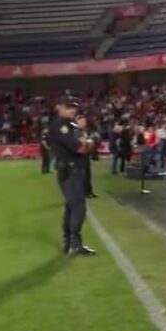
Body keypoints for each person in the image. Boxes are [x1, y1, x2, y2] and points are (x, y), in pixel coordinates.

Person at [48, 98, 95, 256]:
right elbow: (80, 148)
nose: (72, 110)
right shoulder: (61, 126)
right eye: (68, 107)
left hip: (68, 169)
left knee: (71, 206)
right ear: (59, 107)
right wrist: (90, 142)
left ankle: (69, 243)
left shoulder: (66, 125)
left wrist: (86, 144)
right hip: (71, 170)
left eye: (74, 108)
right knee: (78, 206)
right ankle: (74, 244)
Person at [76, 115, 97, 198]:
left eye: (84, 122)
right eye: (81, 122)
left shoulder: (84, 131)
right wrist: (88, 141)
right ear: (77, 123)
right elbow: (80, 142)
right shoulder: (77, 131)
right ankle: (82, 192)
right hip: (80, 156)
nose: (84, 123)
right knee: (82, 175)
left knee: (87, 174)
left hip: (86, 155)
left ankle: (88, 192)